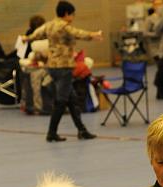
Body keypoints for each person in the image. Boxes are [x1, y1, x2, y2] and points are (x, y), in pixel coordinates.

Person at [22, 1, 103, 142]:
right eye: (72, 14)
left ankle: (82, 130)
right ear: (66, 14)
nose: (73, 17)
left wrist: (26, 38)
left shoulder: (50, 24)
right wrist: (93, 34)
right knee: (61, 101)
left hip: (52, 67)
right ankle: (51, 133)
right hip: (64, 68)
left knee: (72, 100)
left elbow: (37, 34)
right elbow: (78, 33)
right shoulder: (64, 26)